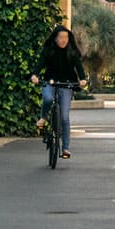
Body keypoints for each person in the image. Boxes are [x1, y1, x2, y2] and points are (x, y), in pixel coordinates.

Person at [30, 23, 87, 159]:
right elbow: (40, 64)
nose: (63, 40)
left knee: (65, 117)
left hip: (66, 84)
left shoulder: (72, 51)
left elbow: (79, 67)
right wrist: (35, 75)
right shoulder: (49, 50)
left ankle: (65, 148)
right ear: (55, 38)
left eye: (66, 37)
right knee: (48, 99)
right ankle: (43, 118)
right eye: (61, 37)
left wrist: (83, 79)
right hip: (50, 82)